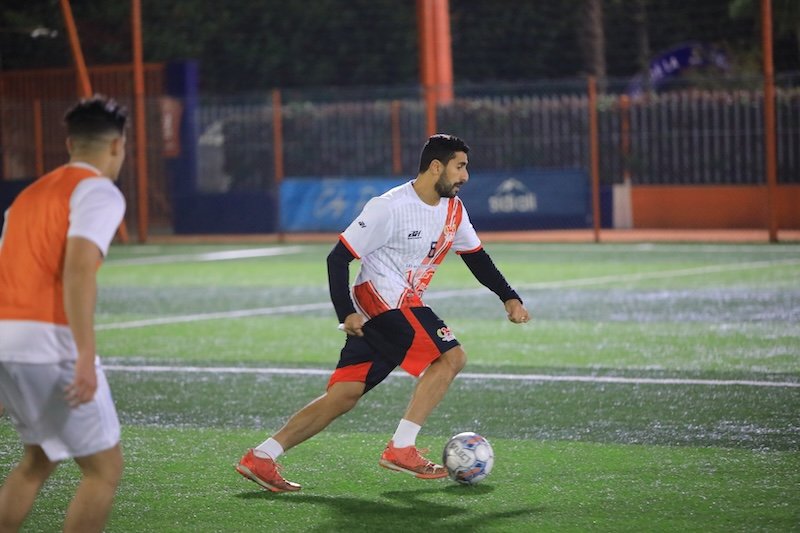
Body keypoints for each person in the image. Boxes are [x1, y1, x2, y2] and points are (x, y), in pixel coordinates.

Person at [236, 133, 530, 492]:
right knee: (451, 358)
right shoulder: (389, 207)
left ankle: (262, 457)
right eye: (460, 167)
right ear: (435, 167)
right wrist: (345, 313)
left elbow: (476, 257)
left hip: (392, 307)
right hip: (382, 300)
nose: (465, 176)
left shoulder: (454, 210)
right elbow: (338, 258)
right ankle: (401, 448)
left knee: (344, 395)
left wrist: (508, 296)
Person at [0, 95, 128, 532]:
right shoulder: (99, 191)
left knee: (38, 459)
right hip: (49, 344)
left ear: (70, 143)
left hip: (7, 339)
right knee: (104, 470)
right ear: (117, 146)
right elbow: (78, 269)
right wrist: (85, 354)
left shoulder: (27, 196)